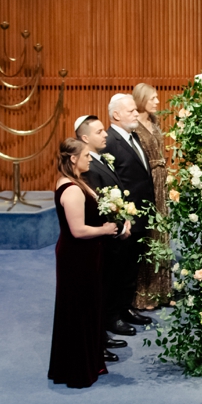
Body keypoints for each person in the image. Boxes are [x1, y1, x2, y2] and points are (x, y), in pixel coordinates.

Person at [47, 138, 118, 389]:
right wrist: (105, 229)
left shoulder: (77, 183)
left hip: (85, 255)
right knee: (78, 310)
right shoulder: (72, 189)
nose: (90, 159)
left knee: (86, 308)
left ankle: (85, 362)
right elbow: (77, 230)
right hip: (76, 257)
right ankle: (77, 370)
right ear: (73, 159)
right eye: (86, 155)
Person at [75, 114, 132, 361]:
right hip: (101, 239)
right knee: (100, 290)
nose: (105, 133)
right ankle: (98, 337)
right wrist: (116, 228)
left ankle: (102, 333)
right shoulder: (88, 168)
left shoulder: (102, 159)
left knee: (110, 285)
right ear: (85, 138)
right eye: (99, 131)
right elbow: (97, 208)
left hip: (113, 233)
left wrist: (125, 219)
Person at [103, 93, 155, 333]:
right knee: (118, 269)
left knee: (132, 267)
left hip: (141, 216)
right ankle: (113, 316)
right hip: (126, 219)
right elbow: (109, 183)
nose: (137, 113)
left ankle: (126, 308)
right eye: (131, 111)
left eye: (136, 110)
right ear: (116, 115)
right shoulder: (110, 141)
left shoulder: (133, 136)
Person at [131, 83, 171, 310]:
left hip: (161, 179)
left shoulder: (154, 122)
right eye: (153, 98)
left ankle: (162, 292)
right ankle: (144, 295)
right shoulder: (134, 126)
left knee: (162, 234)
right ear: (141, 100)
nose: (158, 102)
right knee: (149, 236)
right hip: (147, 181)